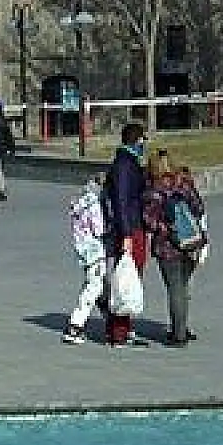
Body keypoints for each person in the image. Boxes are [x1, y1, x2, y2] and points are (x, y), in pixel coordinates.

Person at [142, 157, 208, 347]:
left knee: (175, 289)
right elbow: (199, 208)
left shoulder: (153, 192)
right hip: (191, 243)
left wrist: (165, 228)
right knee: (184, 287)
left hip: (167, 248)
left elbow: (149, 222)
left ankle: (178, 334)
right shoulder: (184, 184)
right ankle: (182, 328)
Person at [103, 122, 149, 346]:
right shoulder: (124, 165)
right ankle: (118, 331)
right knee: (125, 276)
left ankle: (125, 325)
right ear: (137, 140)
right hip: (129, 227)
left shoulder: (130, 162)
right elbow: (121, 201)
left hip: (133, 224)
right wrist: (127, 233)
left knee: (131, 276)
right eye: (143, 139)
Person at [62, 175, 108, 344]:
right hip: (94, 250)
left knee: (96, 284)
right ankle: (76, 325)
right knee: (93, 287)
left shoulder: (80, 203)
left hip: (82, 248)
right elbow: (99, 229)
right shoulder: (94, 204)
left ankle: (109, 317)